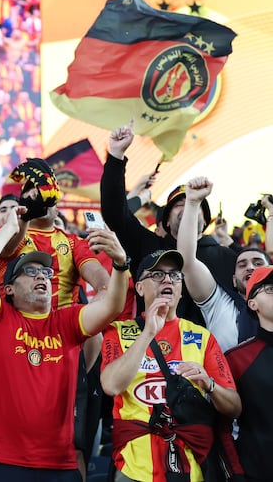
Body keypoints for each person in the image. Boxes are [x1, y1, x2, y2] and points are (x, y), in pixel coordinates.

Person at [0, 202, 130, 481]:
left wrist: (120, 264)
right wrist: (10, 227)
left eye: (46, 273)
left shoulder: (67, 322)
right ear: (7, 288)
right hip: (2, 461)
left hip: (61, 466)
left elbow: (112, 306)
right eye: (30, 272)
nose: (41, 276)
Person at [100, 250, 241, 482]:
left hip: (191, 466)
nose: (167, 280)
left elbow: (234, 407)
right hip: (133, 467)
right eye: (157, 274)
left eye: (175, 276)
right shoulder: (118, 331)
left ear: (181, 288)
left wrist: (210, 384)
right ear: (140, 287)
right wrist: (148, 333)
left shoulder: (202, 336)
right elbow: (111, 385)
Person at [100, 120, 238, 328]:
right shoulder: (146, 245)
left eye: (194, 204)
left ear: (205, 217)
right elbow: (114, 214)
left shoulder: (228, 258)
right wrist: (116, 157)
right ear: (166, 218)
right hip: (150, 349)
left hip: (207, 355)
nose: (186, 209)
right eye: (178, 205)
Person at [176, 176, 268, 351]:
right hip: (222, 378)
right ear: (233, 280)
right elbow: (186, 260)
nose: (250, 267)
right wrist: (193, 202)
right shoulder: (218, 303)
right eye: (242, 265)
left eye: (258, 263)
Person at [222, 265, 273, 482]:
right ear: (252, 304)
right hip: (257, 473)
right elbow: (221, 428)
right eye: (270, 288)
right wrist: (236, 474)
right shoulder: (236, 359)